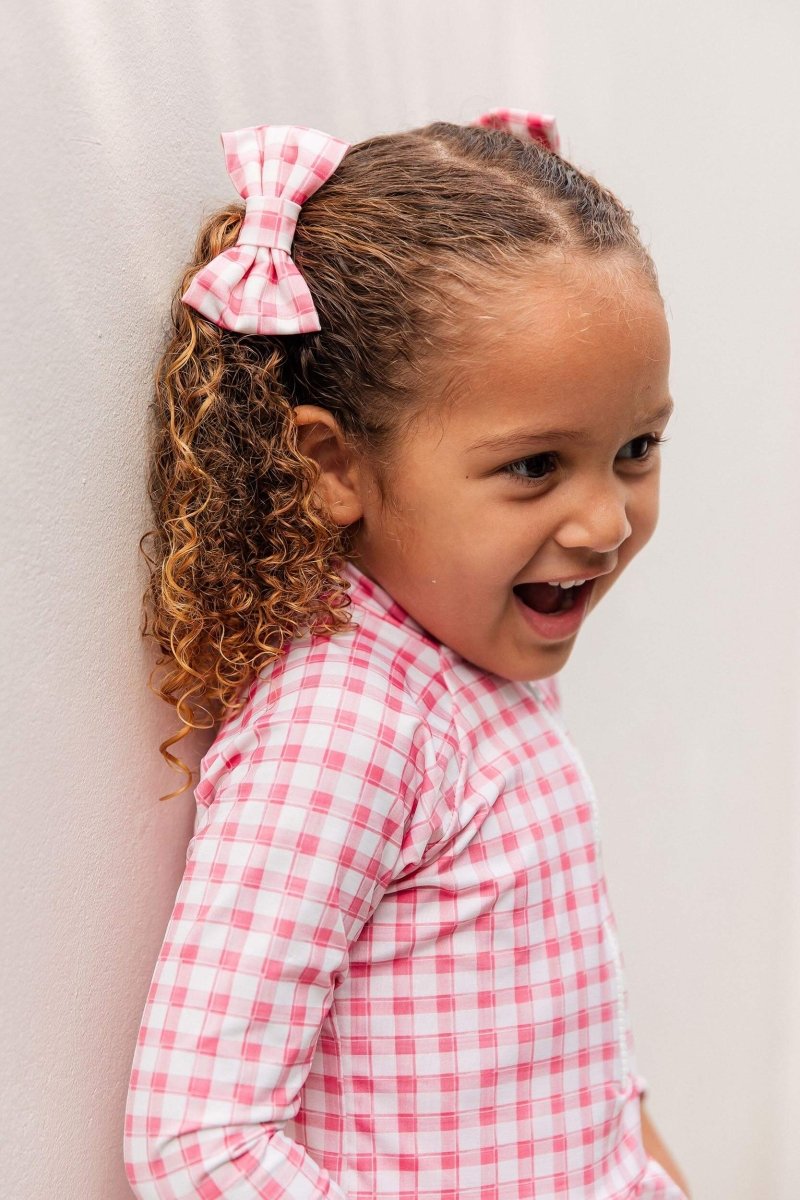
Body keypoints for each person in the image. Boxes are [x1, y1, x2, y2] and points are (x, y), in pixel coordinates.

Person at [123, 112, 692, 1199]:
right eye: (533, 466)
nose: (604, 520)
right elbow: (196, 1140)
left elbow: (581, 1073)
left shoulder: (477, 661)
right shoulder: (340, 729)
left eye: (634, 449)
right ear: (331, 466)